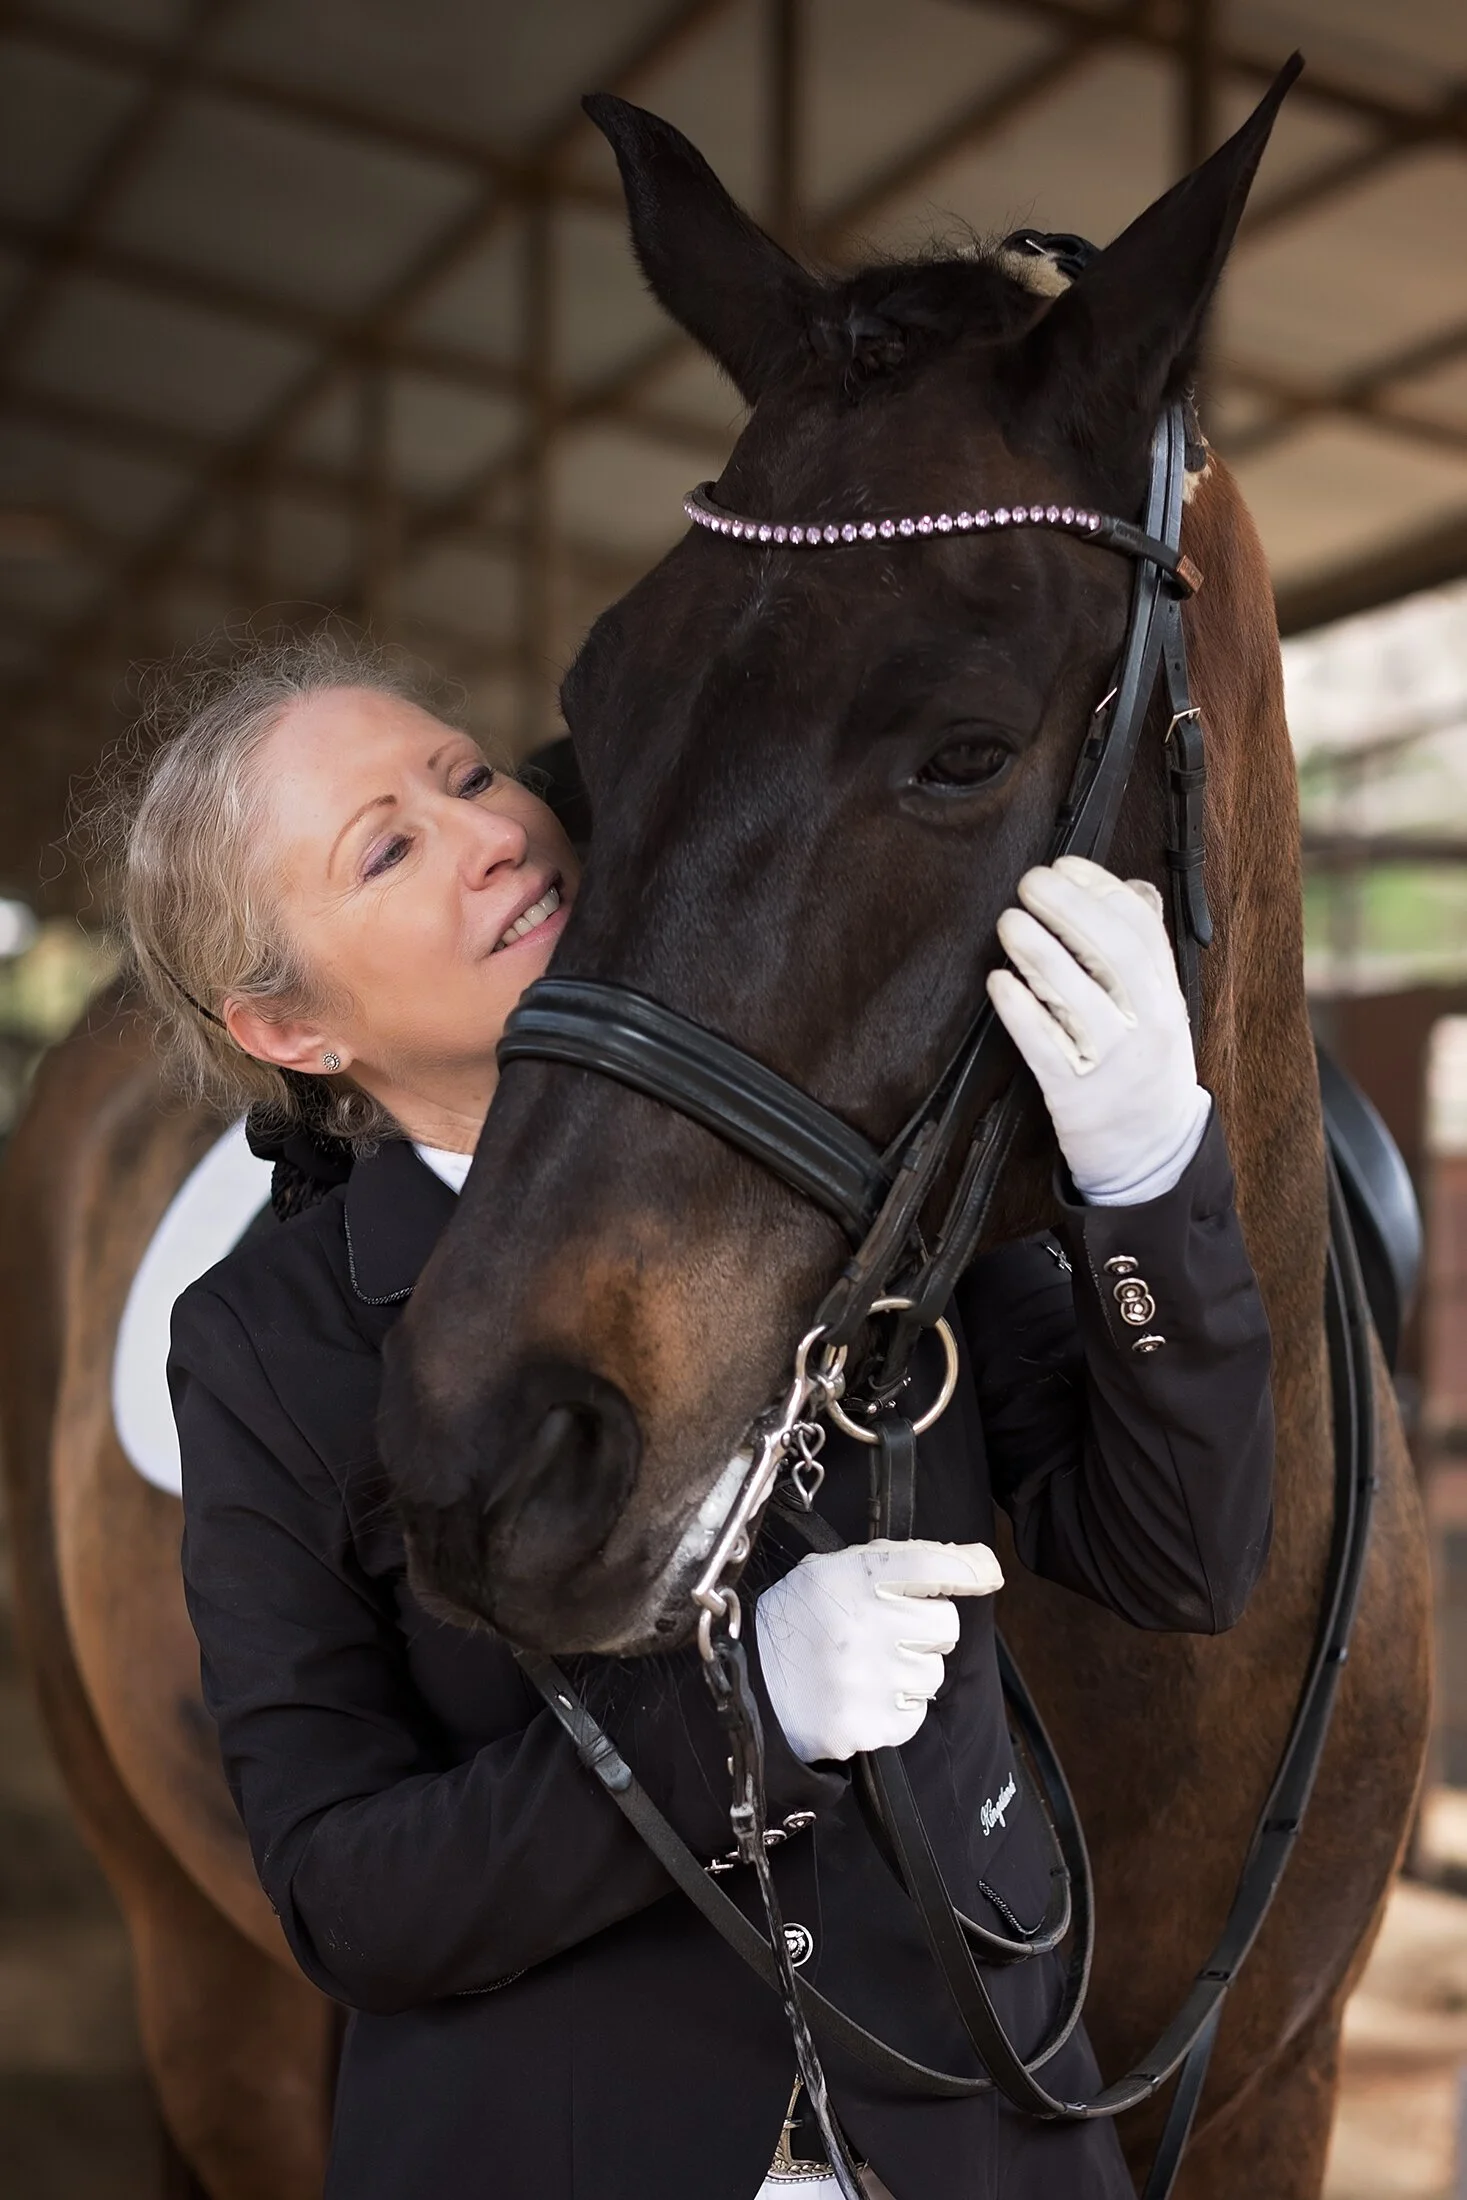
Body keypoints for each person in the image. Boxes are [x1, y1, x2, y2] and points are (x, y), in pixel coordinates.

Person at [113, 632, 1273, 2200]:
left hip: (979, 2128)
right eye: (388, 849)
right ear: (289, 1031)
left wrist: (1143, 1171)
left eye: (470, 775)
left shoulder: (864, 1129)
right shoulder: (267, 1347)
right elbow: (344, 1898)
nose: (490, 833)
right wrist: (743, 1717)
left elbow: (1182, 1553)